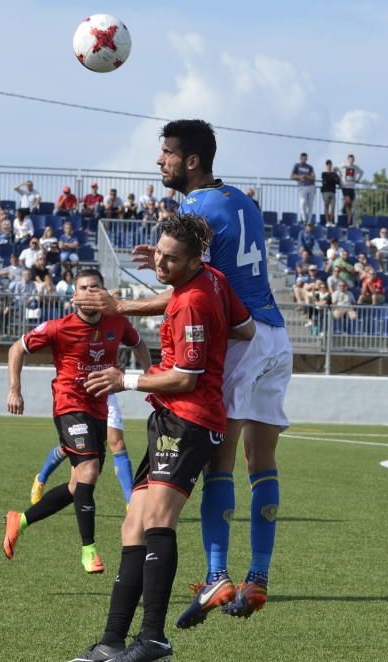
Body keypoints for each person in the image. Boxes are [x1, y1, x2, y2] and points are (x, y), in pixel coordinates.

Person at [73, 120, 291, 629]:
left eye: (167, 153)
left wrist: (121, 305)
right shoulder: (242, 199)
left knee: (220, 456)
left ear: (191, 160)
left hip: (245, 340)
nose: (160, 161)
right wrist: (168, 265)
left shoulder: (193, 208)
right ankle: (258, 577)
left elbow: (193, 294)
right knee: (263, 462)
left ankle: (217, 574)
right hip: (276, 335)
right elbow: (210, 274)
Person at [69, 215, 254, 662]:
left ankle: (153, 638)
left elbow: (187, 377)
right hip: (171, 419)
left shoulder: (194, 302)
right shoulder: (212, 280)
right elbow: (245, 329)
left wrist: (125, 379)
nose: (161, 263)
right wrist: (124, 308)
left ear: (194, 260)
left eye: (171, 259)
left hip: (189, 420)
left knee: (156, 520)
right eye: (158, 253)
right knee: (132, 524)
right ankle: (113, 641)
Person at [2, 269, 151, 576]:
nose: (88, 292)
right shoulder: (60, 327)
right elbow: (17, 348)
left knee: (76, 486)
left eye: (94, 287)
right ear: (74, 296)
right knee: (90, 470)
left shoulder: (118, 323)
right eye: (82, 288)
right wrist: (15, 389)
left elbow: (139, 346)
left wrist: (150, 381)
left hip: (99, 406)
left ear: (104, 292)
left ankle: (21, 520)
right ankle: (89, 551)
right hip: (69, 404)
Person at [31, 394, 140, 507]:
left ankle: (130, 502)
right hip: (81, 397)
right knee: (68, 449)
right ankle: (41, 479)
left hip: (106, 395)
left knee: (117, 444)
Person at [291, 152, 316, 224]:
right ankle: (304, 219)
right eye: (302, 158)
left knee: (310, 205)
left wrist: (306, 176)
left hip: (311, 186)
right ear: (300, 158)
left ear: (307, 159)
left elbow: (313, 177)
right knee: (303, 202)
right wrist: (299, 177)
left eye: (305, 158)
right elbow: (292, 176)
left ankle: (309, 221)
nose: (304, 160)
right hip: (302, 186)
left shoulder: (310, 167)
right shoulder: (297, 166)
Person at [338, 154, 363, 222]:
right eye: (350, 159)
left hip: (352, 187)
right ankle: (343, 208)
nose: (351, 161)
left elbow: (361, 172)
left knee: (349, 205)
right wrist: (339, 179)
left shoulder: (355, 167)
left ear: (354, 160)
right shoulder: (344, 165)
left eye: (352, 159)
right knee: (348, 200)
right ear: (348, 159)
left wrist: (358, 179)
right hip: (345, 186)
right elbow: (336, 169)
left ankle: (349, 221)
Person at [321, 159, 340, 226]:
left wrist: (335, 177)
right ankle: (327, 221)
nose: (329, 166)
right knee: (326, 206)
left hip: (332, 192)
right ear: (326, 166)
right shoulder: (324, 173)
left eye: (330, 165)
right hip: (325, 191)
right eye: (328, 165)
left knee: (333, 207)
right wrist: (333, 179)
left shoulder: (334, 174)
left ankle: (331, 221)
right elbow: (326, 181)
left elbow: (338, 182)